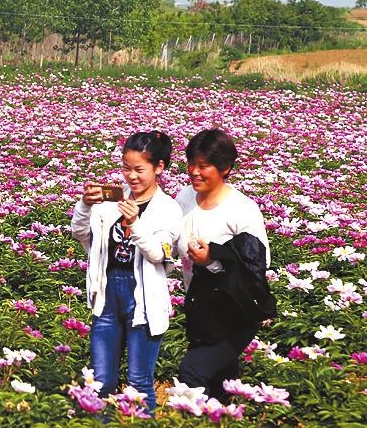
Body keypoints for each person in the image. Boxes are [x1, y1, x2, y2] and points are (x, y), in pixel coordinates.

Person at [70, 131, 181, 412]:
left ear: (159, 167)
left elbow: (160, 254)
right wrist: (85, 204)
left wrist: (136, 223)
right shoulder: (112, 202)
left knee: (139, 382)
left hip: (143, 298)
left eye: (139, 169)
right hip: (108, 294)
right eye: (126, 168)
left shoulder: (168, 209)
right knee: (100, 381)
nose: (131, 176)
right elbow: (81, 234)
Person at [176, 128, 274, 402]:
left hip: (235, 312)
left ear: (226, 168)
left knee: (192, 372)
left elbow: (259, 262)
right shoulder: (184, 198)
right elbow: (171, 239)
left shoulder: (242, 209)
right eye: (191, 163)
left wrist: (213, 260)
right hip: (201, 307)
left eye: (203, 165)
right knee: (222, 384)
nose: (194, 171)